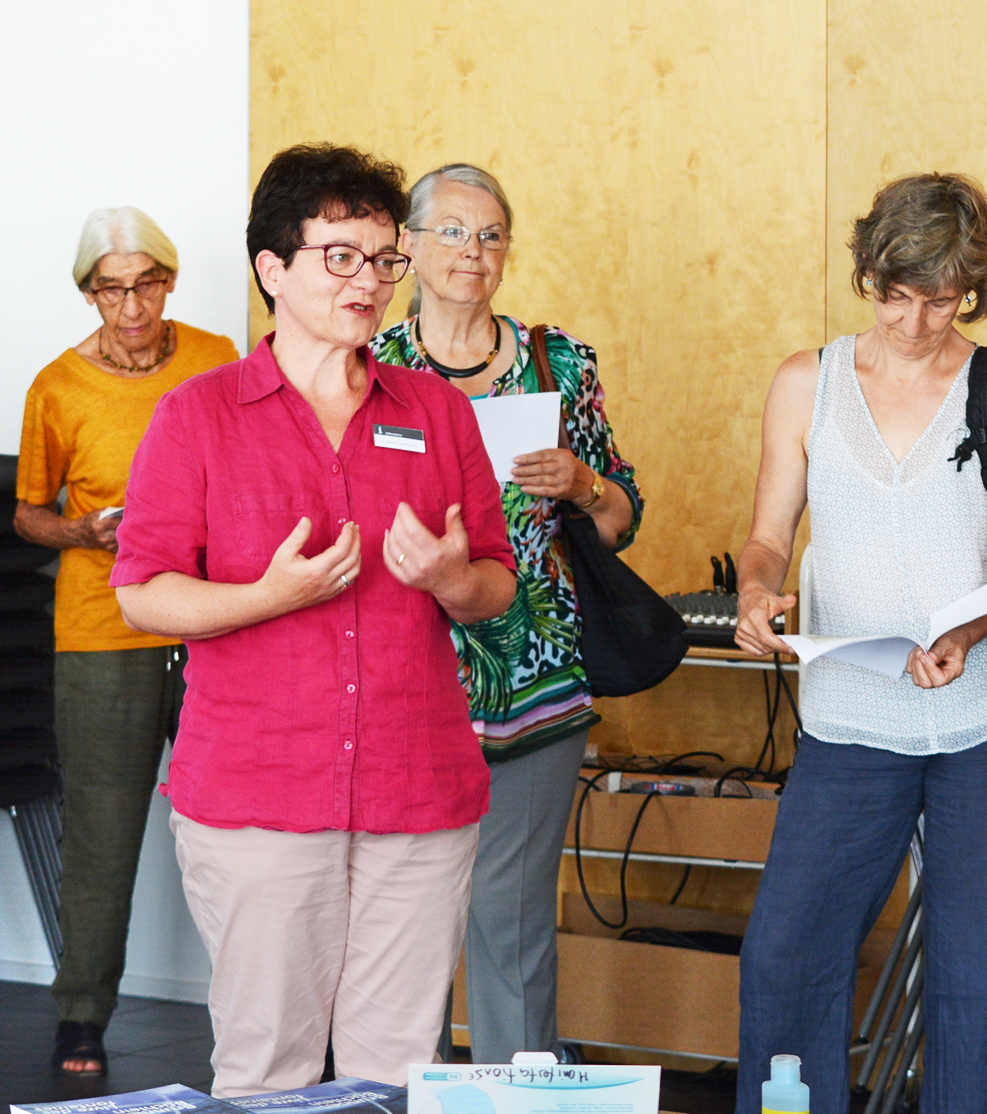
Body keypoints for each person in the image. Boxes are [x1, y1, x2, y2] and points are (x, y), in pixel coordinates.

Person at [110, 144, 516, 1096]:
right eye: (340, 254)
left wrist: (454, 581)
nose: (368, 281)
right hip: (259, 796)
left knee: (395, 1073)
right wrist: (267, 598)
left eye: (384, 259)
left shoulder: (436, 412)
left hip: (417, 793)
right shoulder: (195, 417)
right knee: (268, 1066)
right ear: (272, 269)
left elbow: (496, 583)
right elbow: (140, 593)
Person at [733, 173, 987, 1114]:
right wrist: (759, 589)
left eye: (942, 299)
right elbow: (767, 535)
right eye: (897, 294)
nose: (916, 322)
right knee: (788, 955)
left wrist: (967, 628)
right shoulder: (809, 381)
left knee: (977, 980)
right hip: (851, 709)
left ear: (974, 289)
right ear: (867, 273)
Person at [370, 163, 641, 1063]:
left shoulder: (560, 361)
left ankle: (514, 1094)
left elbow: (620, 519)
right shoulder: (366, 364)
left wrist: (586, 482)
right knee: (394, 925)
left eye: (489, 235)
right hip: (398, 677)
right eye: (450, 231)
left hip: (534, 677)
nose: (470, 253)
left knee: (512, 923)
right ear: (405, 246)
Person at [15, 207, 239, 1075]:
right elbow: (29, 513)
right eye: (112, 288)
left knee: (245, 828)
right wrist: (85, 533)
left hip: (215, 619)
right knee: (103, 831)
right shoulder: (56, 387)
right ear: (88, 294)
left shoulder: (221, 358)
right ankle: (81, 1016)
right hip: (103, 631)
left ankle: (266, 1008)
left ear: (170, 281)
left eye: (147, 282)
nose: (133, 304)